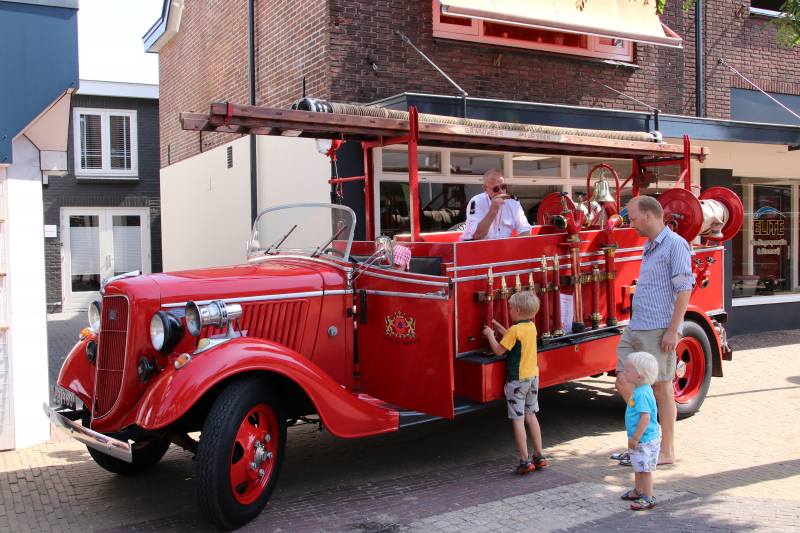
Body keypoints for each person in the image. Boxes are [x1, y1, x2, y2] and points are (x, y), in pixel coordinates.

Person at [614, 195, 692, 465]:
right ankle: (645, 438)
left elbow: (684, 288)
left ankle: (666, 451)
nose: (631, 224)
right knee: (623, 381)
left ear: (649, 216)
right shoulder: (649, 245)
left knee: (661, 389)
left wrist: (673, 331)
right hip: (636, 326)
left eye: (634, 219)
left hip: (659, 329)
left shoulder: (676, 245)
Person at [482, 291, 546, 474]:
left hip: (517, 381)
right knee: (531, 416)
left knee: (518, 420)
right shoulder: (531, 327)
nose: (508, 310)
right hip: (533, 377)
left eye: (510, 307)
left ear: (517, 311)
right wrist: (501, 328)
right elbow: (514, 339)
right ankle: (539, 455)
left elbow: (499, 350)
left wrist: (490, 334)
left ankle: (525, 460)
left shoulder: (515, 331)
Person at [620, 351, 661, 511]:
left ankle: (649, 497)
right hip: (640, 438)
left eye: (628, 371)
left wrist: (636, 438)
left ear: (640, 377)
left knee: (645, 470)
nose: (624, 372)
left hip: (645, 439)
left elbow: (645, 418)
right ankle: (639, 490)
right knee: (638, 465)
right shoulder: (641, 389)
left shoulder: (642, 394)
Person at [459, 169, 533, 241]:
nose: (501, 192)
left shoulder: (512, 202)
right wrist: (493, 210)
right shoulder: (477, 202)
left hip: (501, 246)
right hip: (475, 247)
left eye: (503, 187)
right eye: (496, 189)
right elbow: (478, 235)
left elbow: (524, 228)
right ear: (485, 189)